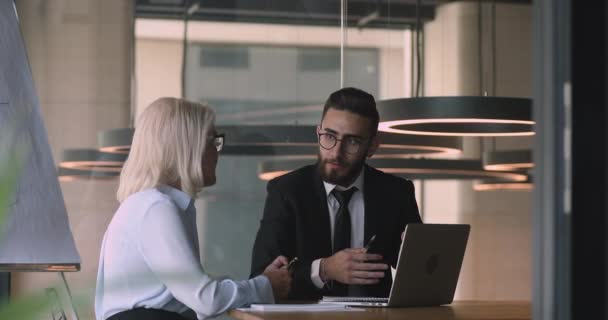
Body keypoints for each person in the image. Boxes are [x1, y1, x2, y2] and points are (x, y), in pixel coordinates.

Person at [95, 97, 291, 320]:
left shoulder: (149, 205)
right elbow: (205, 299)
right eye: (213, 141)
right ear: (187, 146)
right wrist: (265, 286)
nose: (218, 152)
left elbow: (195, 293)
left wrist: (261, 282)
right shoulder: (156, 209)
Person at [250, 87, 421, 300]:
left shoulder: (396, 192)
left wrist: (416, 256)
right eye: (329, 136)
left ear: (372, 147)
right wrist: (324, 269)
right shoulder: (286, 191)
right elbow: (260, 278)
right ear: (318, 132)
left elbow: (419, 276)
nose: (335, 153)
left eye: (352, 141)